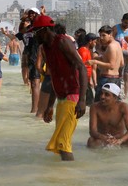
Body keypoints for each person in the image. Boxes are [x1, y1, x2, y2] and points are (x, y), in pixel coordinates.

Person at [30, 15, 87, 161]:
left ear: (44, 30)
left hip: (73, 96)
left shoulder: (62, 41)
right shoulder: (46, 48)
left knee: (63, 142)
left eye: (35, 32)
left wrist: (82, 100)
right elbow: (56, 77)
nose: (34, 36)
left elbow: (81, 67)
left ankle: (70, 178)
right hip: (61, 98)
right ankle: (64, 176)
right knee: (61, 144)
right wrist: (50, 106)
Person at [87, 83, 128, 148]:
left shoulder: (123, 107)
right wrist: (105, 138)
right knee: (91, 141)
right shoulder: (95, 107)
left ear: (115, 97)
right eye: (101, 93)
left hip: (118, 138)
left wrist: (120, 140)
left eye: (106, 95)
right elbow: (92, 131)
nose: (102, 97)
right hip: (102, 139)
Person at [16, 7, 42, 112]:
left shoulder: (39, 27)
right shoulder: (28, 28)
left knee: (36, 83)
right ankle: (36, 110)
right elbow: (20, 30)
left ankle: (36, 110)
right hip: (31, 57)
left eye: (33, 13)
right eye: (29, 13)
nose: (30, 15)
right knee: (34, 83)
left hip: (39, 57)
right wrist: (24, 19)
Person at [90, 25, 123, 102]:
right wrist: (98, 58)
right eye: (100, 35)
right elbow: (121, 63)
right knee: (112, 107)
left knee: (99, 106)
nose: (101, 38)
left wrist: (95, 61)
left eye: (104, 35)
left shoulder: (111, 47)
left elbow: (111, 65)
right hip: (116, 79)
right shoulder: (117, 45)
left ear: (110, 34)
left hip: (107, 79)